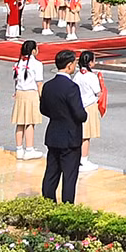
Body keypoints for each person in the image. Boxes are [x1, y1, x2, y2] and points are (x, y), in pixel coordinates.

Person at [39, 49, 85, 203]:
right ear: (69, 65)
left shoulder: (48, 86)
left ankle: (48, 204)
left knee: (51, 173)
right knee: (69, 177)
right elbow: (79, 114)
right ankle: (66, 209)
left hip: (53, 135)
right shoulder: (71, 87)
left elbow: (43, 109)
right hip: (70, 137)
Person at [11, 40, 45, 160]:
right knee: (30, 122)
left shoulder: (18, 63)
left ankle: (19, 149)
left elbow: (16, 81)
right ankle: (29, 149)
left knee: (20, 122)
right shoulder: (37, 64)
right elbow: (39, 83)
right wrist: (42, 97)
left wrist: (15, 92)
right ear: (33, 51)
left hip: (20, 93)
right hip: (31, 94)